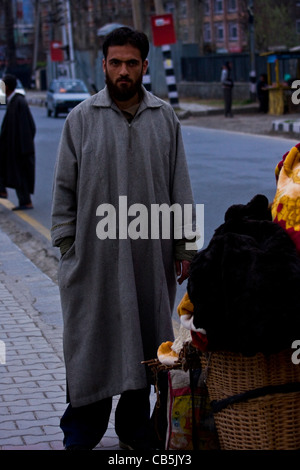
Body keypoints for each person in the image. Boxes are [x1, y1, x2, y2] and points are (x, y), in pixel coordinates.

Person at [51, 27, 197, 451]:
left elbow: (180, 186)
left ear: (145, 67)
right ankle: (80, 434)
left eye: (132, 63)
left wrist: (184, 246)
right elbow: (63, 193)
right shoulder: (80, 119)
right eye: (115, 62)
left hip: (148, 258)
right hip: (93, 263)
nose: (123, 71)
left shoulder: (164, 118)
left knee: (146, 345)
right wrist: (68, 248)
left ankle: (136, 432)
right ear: (103, 66)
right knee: (90, 349)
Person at [0, 74, 35, 209]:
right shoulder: (13, 102)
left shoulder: (18, 102)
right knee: (16, 174)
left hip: (20, 149)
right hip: (14, 148)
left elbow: (27, 127)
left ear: (7, 87)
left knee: (21, 175)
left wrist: (23, 148)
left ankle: (26, 202)